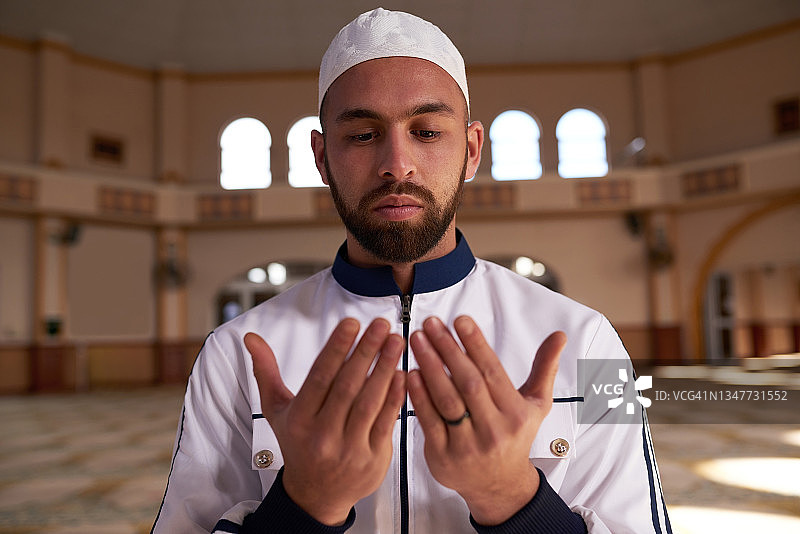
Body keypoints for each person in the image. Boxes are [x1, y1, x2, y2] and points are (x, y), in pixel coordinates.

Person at [152, 8, 671, 534]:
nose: (396, 164)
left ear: (470, 151)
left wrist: (512, 498)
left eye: (425, 131)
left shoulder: (590, 342)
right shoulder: (233, 355)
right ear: (321, 156)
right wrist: (303, 505)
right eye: (360, 135)